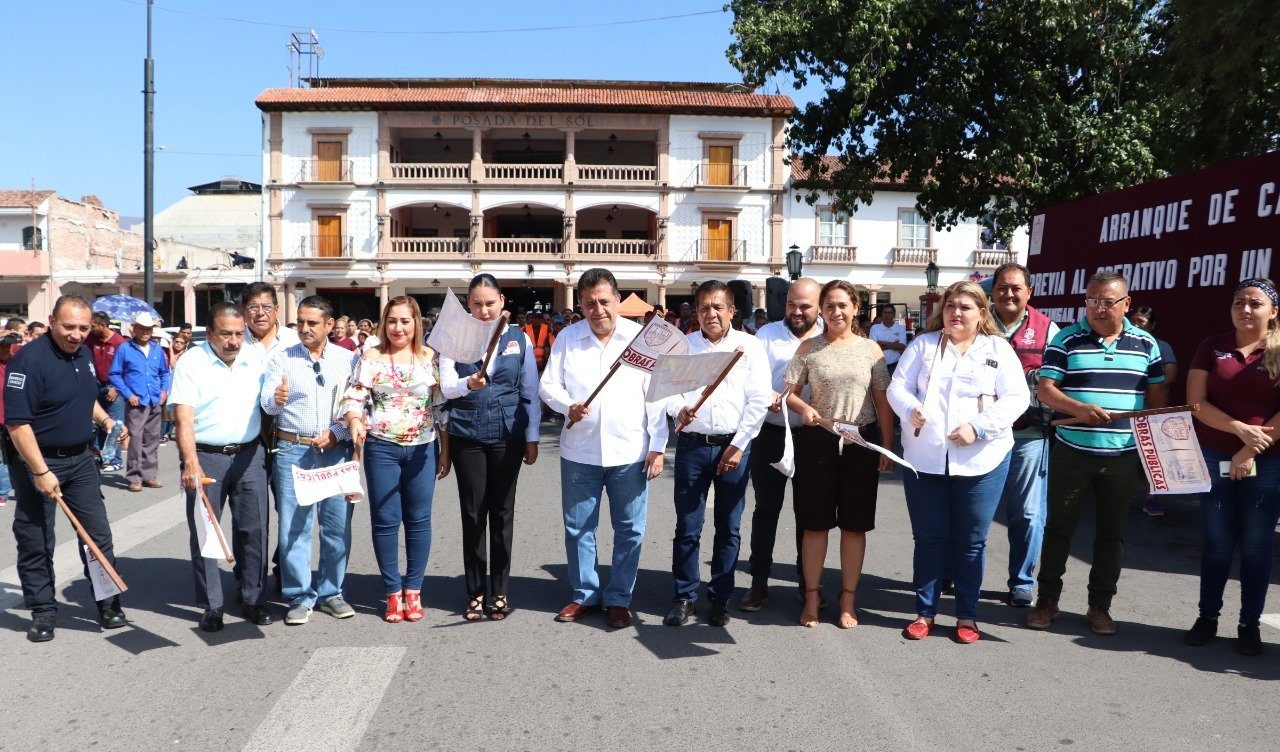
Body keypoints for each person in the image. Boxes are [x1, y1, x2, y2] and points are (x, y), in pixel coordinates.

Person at [888, 281, 1029, 643]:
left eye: (966, 307)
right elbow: (897, 387)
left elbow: (1016, 398)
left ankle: (967, 615)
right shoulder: (923, 345)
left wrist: (978, 427)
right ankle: (924, 612)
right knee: (929, 539)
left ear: (981, 313)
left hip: (982, 460)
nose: (956, 312)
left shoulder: (997, 348)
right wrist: (910, 409)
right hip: (925, 460)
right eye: (951, 305)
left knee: (971, 542)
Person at [1027, 272, 1166, 635]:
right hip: (1073, 451)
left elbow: (1155, 401)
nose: (1098, 309)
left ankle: (1100, 606)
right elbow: (1045, 391)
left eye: (1107, 302)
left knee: (1111, 534)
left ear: (1126, 304)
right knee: (1058, 528)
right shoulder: (1066, 339)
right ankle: (1047, 601)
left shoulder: (1146, 344)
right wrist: (1078, 409)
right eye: (1091, 301)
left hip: (1122, 455)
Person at [539, 268, 667, 629]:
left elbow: (656, 399)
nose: (598, 310)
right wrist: (568, 406)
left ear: (617, 299)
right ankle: (585, 594)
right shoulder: (568, 338)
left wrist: (657, 448)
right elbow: (548, 386)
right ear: (580, 305)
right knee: (579, 527)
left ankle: (619, 597)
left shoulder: (640, 340)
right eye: (589, 303)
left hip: (630, 453)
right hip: (580, 452)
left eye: (604, 301)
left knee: (630, 529)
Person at [2, 294, 130, 642]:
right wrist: (41, 472)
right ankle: (43, 610)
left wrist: (107, 423)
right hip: (36, 461)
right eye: (69, 326)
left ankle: (107, 602)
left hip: (80, 461)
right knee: (36, 538)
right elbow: (18, 425)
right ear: (52, 320)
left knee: (97, 537)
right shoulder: (27, 362)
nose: (76, 334)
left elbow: (83, 397)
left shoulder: (85, 354)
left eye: (83, 328)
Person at [783, 280, 893, 629]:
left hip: (861, 442)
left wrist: (887, 447)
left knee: (854, 525)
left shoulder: (871, 350)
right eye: (829, 305)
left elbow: (882, 402)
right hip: (819, 441)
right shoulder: (808, 349)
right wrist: (804, 408)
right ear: (822, 310)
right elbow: (788, 393)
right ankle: (812, 597)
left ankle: (848, 599)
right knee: (815, 524)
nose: (836, 312)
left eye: (843, 305)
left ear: (855, 308)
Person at [662, 280, 771, 627]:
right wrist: (679, 410)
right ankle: (684, 597)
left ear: (732, 310)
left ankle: (720, 598)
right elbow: (668, 393)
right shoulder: (683, 347)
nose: (711, 313)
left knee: (729, 527)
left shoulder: (749, 347)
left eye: (718, 306)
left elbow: (759, 400)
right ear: (695, 311)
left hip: (733, 447)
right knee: (688, 526)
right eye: (704, 307)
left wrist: (739, 445)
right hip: (693, 447)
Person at [1183, 279, 1280, 656]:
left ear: (1273, 312)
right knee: (1217, 544)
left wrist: (1250, 451)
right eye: (1239, 302)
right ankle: (1207, 617)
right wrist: (1239, 431)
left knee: (1257, 546)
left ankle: (1249, 624)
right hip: (1214, 454)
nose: (1246, 309)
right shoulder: (1213, 346)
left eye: (1256, 303)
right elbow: (1196, 403)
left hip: (1267, 461)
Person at [342, 296, 451, 624]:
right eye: (392, 321)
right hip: (382, 449)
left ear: (416, 323)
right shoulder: (370, 357)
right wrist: (355, 420)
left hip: (423, 449)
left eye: (405, 321)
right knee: (385, 520)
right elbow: (355, 395)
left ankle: (413, 590)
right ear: (382, 324)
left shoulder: (431, 357)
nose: (398, 328)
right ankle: (392, 591)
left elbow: (440, 406)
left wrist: (445, 450)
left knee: (419, 520)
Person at [439, 275, 541, 621]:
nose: (484, 311)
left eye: (490, 303)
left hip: (507, 435)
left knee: (501, 514)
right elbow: (445, 388)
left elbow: (530, 391)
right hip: (467, 436)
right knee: (473, 514)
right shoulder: (453, 339)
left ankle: (499, 590)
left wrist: (532, 437)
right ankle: (474, 591)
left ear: (502, 302)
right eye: (477, 304)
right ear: (468, 304)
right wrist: (468, 383)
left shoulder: (519, 339)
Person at [169, 302, 273, 632]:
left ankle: (253, 597)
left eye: (239, 334)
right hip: (206, 455)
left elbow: (269, 401)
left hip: (249, 454)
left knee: (254, 529)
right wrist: (190, 464)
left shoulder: (255, 357)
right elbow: (183, 419)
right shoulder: (191, 363)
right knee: (206, 531)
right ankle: (212, 605)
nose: (233, 341)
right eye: (225, 334)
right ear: (210, 333)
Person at [260, 295, 359, 626]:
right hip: (293, 450)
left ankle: (332, 592)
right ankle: (299, 595)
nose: (304, 328)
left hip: (335, 450)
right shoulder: (281, 359)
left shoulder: (349, 360)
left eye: (312, 323)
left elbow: (360, 406)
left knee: (335, 525)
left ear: (329, 325)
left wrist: (337, 432)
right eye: (300, 322)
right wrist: (276, 400)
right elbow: (268, 404)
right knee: (294, 527)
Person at [741, 278, 824, 612]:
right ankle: (758, 584)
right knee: (766, 510)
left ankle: (809, 587)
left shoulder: (828, 338)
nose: (797, 311)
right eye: (792, 304)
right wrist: (767, 396)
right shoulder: (767, 335)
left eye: (805, 306)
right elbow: (755, 380)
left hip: (813, 436)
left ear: (818, 306)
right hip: (771, 433)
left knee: (808, 514)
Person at [990, 263, 1060, 607]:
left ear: (1029, 292)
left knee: (1028, 513)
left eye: (1016, 287)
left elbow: (1059, 379)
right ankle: (952, 572)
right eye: (1002, 287)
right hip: (979, 436)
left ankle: (1022, 581)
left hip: (1029, 436)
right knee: (969, 511)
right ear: (993, 291)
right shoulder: (976, 321)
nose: (1009, 294)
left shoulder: (1049, 330)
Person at [108, 312, 172, 493]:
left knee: (152, 439)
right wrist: (128, 394)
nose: (145, 332)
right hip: (136, 401)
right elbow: (115, 374)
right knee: (135, 439)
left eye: (148, 329)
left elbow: (164, 373)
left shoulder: (157, 349)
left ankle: (149, 475)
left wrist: (164, 391)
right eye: (142, 328)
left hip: (154, 399)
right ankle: (134, 477)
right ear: (134, 329)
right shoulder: (125, 348)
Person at [1128, 305, 1179, 517]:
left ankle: (1153, 499)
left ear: (1152, 325)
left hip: (1152, 409)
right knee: (1126, 456)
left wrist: (1150, 388)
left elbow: (1171, 375)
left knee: (1154, 457)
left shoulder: (1161, 346)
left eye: (1141, 322)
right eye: (1133, 320)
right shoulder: (1122, 343)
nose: (1136, 324)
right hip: (1128, 409)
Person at [87, 311, 127, 473]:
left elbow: (127, 369)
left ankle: (115, 459)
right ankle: (100, 456)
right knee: (99, 423)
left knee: (115, 424)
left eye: (93, 325)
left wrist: (116, 388)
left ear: (103, 325)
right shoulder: (89, 340)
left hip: (113, 387)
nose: (91, 328)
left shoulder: (119, 342)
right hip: (94, 385)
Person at [0, 333, 19, 507]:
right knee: (1, 459)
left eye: (8, 346)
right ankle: (2, 492)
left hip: (15, 419)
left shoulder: (17, 361)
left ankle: (22, 490)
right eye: (2, 346)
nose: (6, 349)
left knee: (18, 457)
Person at [868, 304, 907, 376]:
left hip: (895, 366)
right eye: (885, 313)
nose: (887, 315)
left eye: (890, 313)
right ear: (882, 314)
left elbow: (902, 346)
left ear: (893, 315)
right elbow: (873, 348)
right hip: (878, 366)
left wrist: (883, 343)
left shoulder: (901, 328)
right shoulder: (875, 328)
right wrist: (894, 345)